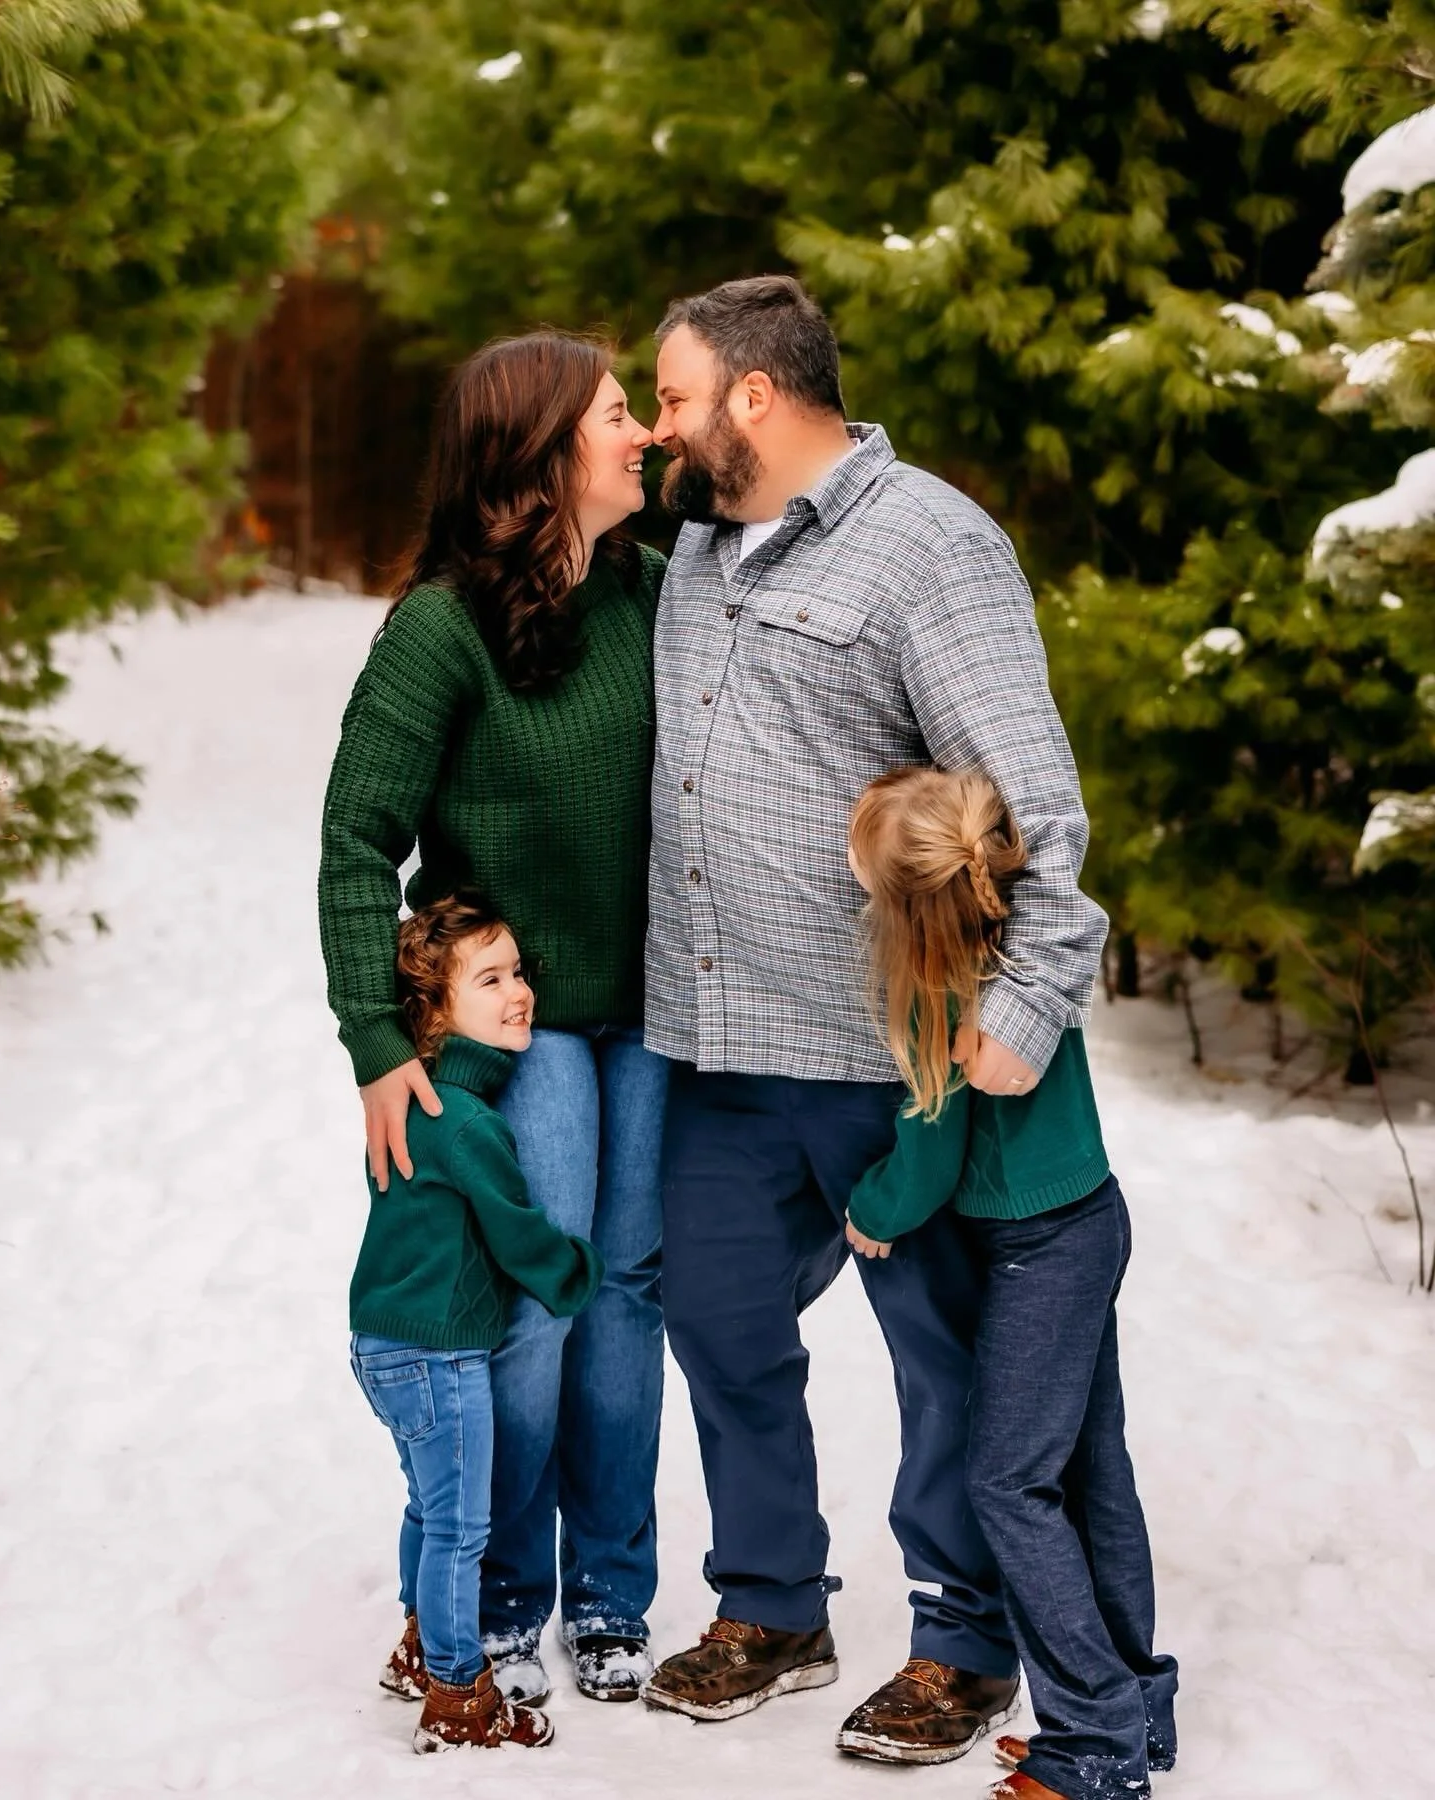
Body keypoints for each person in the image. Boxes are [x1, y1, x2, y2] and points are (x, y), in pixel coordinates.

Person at [641, 275, 1110, 1762]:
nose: (659, 426)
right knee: (717, 1324)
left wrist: (1025, 1010)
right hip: (718, 1045)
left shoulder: (935, 548)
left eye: (672, 396)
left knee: (941, 1362)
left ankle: (964, 1642)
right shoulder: (700, 549)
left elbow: (1031, 806)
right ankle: (772, 1601)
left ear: (756, 399)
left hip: (887, 1058)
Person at [318, 334, 669, 1704]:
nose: (643, 433)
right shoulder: (442, 626)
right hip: (517, 1026)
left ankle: (615, 1594)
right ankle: (504, 1589)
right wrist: (375, 1045)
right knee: (538, 1293)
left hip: (657, 1009)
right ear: (539, 453)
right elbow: (357, 837)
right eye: (617, 414)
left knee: (628, 1296)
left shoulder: (654, 586)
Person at [841, 765, 1178, 1800]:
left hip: (1041, 1247)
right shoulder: (1023, 949)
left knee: (1010, 1483)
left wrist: (873, 1210)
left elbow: (931, 1146)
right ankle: (1131, 1709)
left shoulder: (940, 981)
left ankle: (1092, 1749)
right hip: (1086, 1219)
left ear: (906, 904)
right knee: (1088, 1468)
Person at [348, 892, 604, 1752]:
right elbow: (518, 1233)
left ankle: (421, 1643)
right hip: (435, 1353)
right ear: (433, 1011)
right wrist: (576, 1271)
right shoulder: (464, 1122)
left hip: (385, 1342)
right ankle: (459, 1694)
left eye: (518, 971)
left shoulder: (421, 1106)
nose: (518, 992)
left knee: (431, 1507)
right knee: (460, 1526)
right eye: (489, 980)